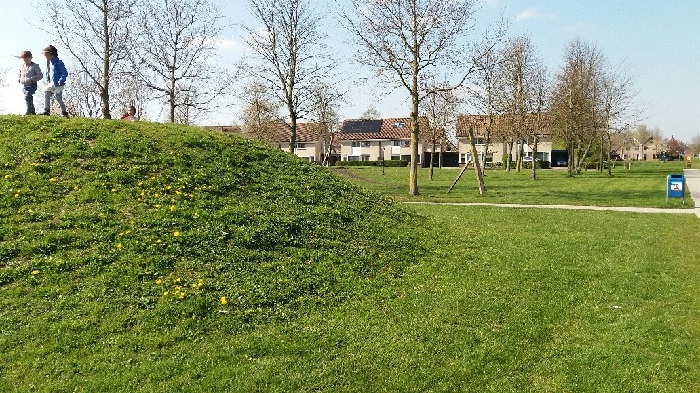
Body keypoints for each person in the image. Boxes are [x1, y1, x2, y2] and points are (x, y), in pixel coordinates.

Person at [40, 45, 69, 118]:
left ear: (52, 54)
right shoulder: (48, 63)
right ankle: (47, 110)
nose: (46, 57)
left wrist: (61, 80)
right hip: (51, 83)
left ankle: (64, 112)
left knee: (58, 98)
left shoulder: (58, 62)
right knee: (46, 94)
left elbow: (64, 72)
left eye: (47, 55)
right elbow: (49, 73)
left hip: (58, 84)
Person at [16, 51, 43, 115]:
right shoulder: (22, 66)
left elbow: (40, 76)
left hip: (32, 84)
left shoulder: (35, 66)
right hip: (24, 85)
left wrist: (31, 79)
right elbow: (19, 73)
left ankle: (28, 111)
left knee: (27, 96)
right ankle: (32, 111)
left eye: (26, 59)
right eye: (24, 59)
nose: (25, 60)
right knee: (28, 97)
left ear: (30, 58)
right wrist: (19, 79)